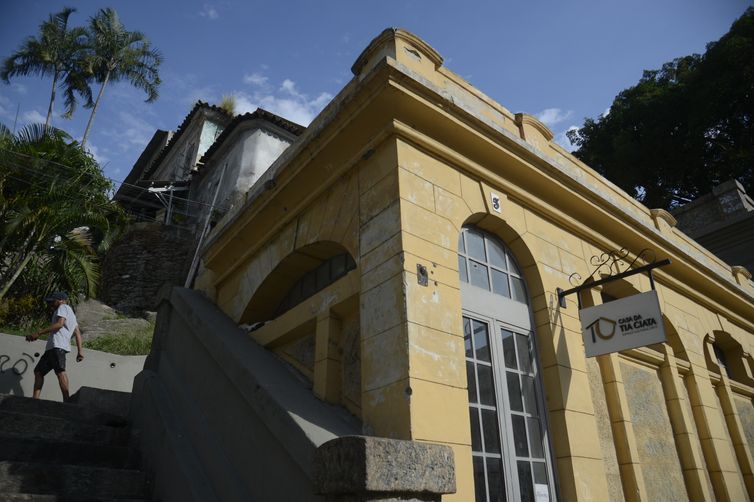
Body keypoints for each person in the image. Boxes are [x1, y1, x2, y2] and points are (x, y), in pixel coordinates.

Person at [25, 292, 84, 401]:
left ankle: (67, 401)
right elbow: (77, 332)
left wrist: (39, 333)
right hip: (53, 348)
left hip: (57, 346)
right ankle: (35, 400)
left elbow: (60, 324)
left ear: (61, 300)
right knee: (38, 371)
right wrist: (80, 351)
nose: (51, 303)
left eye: (53, 301)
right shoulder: (71, 314)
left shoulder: (63, 307)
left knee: (60, 371)